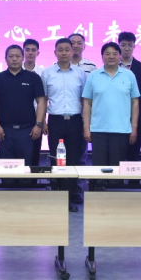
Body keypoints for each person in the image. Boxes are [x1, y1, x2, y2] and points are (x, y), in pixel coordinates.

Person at [0, 45, 46, 181]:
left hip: (27, 130)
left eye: (17, 56)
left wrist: (38, 124)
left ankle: (25, 193)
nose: (14, 59)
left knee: (26, 171)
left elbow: (41, 101)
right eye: (11, 56)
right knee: (6, 172)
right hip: (4, 130)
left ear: (22, 58)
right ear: (5, 59)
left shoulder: (33, 77)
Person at [42, 38, 87, 208]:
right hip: (55, 121)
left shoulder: (80, 73)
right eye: (60, 50)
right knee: (57, 158)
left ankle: (72, 194)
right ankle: (58, 193)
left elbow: (84, 100)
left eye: (67, 49)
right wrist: (43, 121)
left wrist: (85, 123)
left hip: (75, 120)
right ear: (55, 52)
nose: (64, 53)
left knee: (74, 159)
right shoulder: (47, 73)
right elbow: (43, 99)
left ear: (72, 51)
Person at [82, 42, 140, 166]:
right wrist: (86, 128)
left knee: (117, 168)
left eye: (114, 54)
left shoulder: (129, 75)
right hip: (98, 130)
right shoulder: (93, 76)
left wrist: (134, 128)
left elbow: (135, 102)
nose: (111, 57)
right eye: (107, 54)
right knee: (98, 168)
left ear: (120, 56)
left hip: (121, 130)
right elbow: (87, 103)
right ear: (102, 57)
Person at [118, 32, 141, 162]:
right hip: (115, 118)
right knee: (116, 157)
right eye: (123, 45)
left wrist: (128, 102)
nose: (126, 48)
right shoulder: (111, 66)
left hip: (134, 117)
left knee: (133, 157)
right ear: (119, 46)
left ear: (134, 46)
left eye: (130, 45)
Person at [23, 39, 46, 165]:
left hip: (37, 118)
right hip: (20, 118)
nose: (30, 53)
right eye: (27, 50)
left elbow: (44, 99)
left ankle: (33, 178)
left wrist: (42, 122)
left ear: (38, 53)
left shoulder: (43, 73)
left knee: (34, 154)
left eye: (33, 50)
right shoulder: (14, 70)